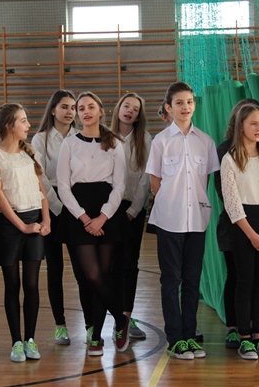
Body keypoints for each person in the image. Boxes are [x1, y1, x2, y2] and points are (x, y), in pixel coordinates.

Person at [146, 82, 218, 360]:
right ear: (169, 107)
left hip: (197, 221)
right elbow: (155, 182)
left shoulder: (206, 141)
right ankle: (175, 339)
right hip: (169, 221)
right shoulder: (161, 141)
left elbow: (205, 180)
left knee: (192, 280)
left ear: (194, 105)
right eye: (179, 103)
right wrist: (172, 204)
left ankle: (190, 335)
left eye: (189, 102)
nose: (185, 107)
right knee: (170, 281)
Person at [56, 91, 131, 357]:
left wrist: (103, 216)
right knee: (92, 276)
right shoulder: (69, 143)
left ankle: (96, 336)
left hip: (107, 212)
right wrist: (84, 217)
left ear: (100, 110)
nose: (85, 112)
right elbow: (63, 186)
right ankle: (121, 319)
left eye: (90, 107)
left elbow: (120, 185)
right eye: (81, 108)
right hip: (79, 214)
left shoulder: (115, 143)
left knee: (105, 275)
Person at [0, 103, 50, 362]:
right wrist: (21, 226)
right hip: (9, 225)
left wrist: (46, 219)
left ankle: (31, 339)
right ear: (9, 126)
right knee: (12, 285)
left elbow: (41, 189)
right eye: (23, 120)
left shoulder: (30, 154)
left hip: (34, 221)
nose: (28, 125)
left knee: (32, 284)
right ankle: (16, 342)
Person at [220, 103, 259, 361]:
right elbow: (232, 204)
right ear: (241, 127)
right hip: (243, 227)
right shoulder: (230, 159)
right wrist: (252, 235)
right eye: (253, 124)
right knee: (245, 282)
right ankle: (244, 338)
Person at [32, 90, 93, 345]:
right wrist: (57, 206)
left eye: (72, 107)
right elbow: (39, 177)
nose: (69, 112)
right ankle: (60, 325)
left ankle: (90, 324)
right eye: (64, 107)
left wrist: (75, 207)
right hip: (51, 205)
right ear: (53, 110)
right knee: (54, 267)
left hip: (77, 204)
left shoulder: (82, 136)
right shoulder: (40, 139)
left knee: (82, 269)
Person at [110, 92, 151, 340]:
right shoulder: (106, 136)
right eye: (127, 106)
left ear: (138, 116)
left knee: (129, 264)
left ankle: (126, 316)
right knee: (110, 265)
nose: (129, 111)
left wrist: (134, 210)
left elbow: (145, 179)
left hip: (133, 211)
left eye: (135, 109)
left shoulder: (144, 139)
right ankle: (112, 315)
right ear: (118, 108)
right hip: (108, 210)